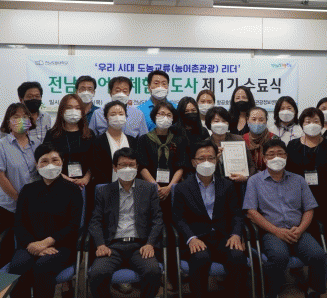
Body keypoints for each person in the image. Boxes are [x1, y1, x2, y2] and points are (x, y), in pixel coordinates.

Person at [244, 139, 327, 298]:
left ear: (286, 156)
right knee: (279, 257)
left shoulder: (298, 180)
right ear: (264, 158)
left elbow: (309, 208)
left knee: (318, 255)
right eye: (271, 154)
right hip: (271, 232)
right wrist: (277, 231)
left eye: (280, 153)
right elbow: (251, 212)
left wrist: (300, 229)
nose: (276, 157)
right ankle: (271, 292)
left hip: (298, 231)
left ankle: (313, 289)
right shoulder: (254, 181)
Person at [172, 140, 248, 297]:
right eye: (201, 158)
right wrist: (191, 238)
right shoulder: (182, 188)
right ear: (193, 162)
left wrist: (236, 234)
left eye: (211, 158)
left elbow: (236, 214)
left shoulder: (227, 185)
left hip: (223, 237)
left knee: (237, 256)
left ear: (216, 160)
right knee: (201, 258)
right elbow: (179, 219)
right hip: (197, 237)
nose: (206, 162)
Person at [9, 143, 83, 298]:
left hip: (61, 247)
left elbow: (73, 225)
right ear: (37, 165)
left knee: (43, 266)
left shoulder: (73, 190)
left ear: (62, 162)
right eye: (44, 161)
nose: (50, 165)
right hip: (30, 245)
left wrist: (46, 243)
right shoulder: (27, 190)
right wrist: (32, 244)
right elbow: (19, 223)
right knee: (18, 266)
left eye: (55, 160)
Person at [88, 148, 163, 298]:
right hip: (112, 246)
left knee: (153, 271)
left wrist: (150, 243)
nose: (128, 168)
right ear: (115, 168)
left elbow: (157, 219)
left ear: (137, 167)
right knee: (97, 273)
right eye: (123, 165)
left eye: (131, 165)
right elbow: (95, 221)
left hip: (140, 246)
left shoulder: (148, 189)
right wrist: (100, 245)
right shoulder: (104, 191)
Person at [136, 101, 188, 290]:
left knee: (172, 234)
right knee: (152, 232)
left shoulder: (179, 139)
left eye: (168, 115)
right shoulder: (144, 139)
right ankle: (154, 273)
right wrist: (155, 186)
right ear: (153, 117)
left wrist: (170, 187)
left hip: (173, 194)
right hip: (150, 193)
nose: (164, 118)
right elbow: (141, 166)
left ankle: (173, 275)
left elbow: (182, 166)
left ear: (173, 119)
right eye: (161, 114)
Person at [286, 107, 327, 267]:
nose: (312, 124)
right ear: (301, 124)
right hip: (299, 201)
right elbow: (286, 176)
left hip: (326, 199)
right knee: (303, 230)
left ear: (322, 124)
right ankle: (300, 261)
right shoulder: (292, 146)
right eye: (308, 121)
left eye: (316, 121)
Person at [0, 103, 40, 269]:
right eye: (16, 117)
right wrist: (20, 199)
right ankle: (5, 282)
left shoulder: (37, 145)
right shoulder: (0, 146)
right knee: (8, 247)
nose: (21, 120)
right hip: (8, 207)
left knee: (28, 247)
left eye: (25, 116)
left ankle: (26, 281)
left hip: (32, 207)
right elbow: (0, 177)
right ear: (8, 122)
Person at [43, 94, 95, 215]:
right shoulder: (52, 134)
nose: (73, 111)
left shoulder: (89, 134)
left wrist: (85, 179)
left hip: (84, 186)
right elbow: (45, 161)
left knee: (82, 219)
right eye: (69, 107)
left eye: (77, 108)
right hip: (58, 184)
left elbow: (95, 160)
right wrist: (65, 178)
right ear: (62, 110)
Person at [92, 100, 138, 186]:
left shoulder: (133, 141)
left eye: (121, 114)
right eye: (113, 114)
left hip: (131, 187)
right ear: (106, 118)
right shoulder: (98, 142)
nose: (117, 117)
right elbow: (97, 168)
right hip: (106, 187)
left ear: (125, 116)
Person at [205, 106, 255, 184]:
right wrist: (215, 159)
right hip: (214, 184)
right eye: (216, 121)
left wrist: (246, 178)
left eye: (224, 121)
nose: (220, 124)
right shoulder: (206, 144)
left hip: (237, 184)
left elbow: (251, 165)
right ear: (209, 124)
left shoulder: (238, 140)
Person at [243, 106, 274, 171]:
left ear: (266, 121)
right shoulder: (242, 139)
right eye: (254, 119)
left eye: (261, 120)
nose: (257, 122)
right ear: (247, 120)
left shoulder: (274, 138)